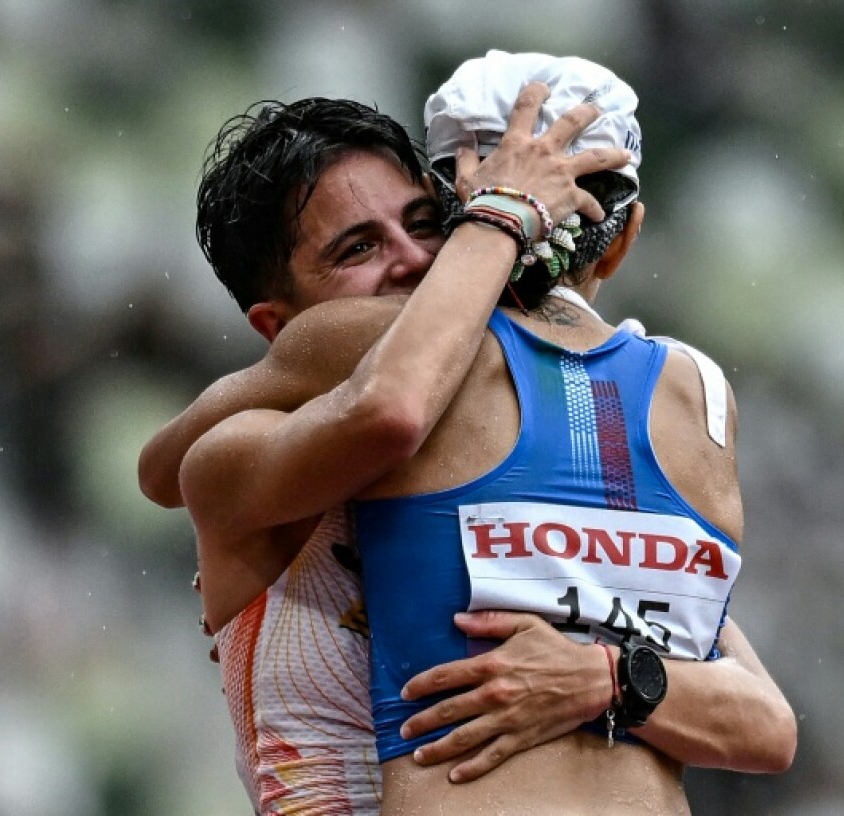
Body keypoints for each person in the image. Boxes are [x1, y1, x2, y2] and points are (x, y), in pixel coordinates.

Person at [143, 54, 794, 815]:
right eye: (359, 249)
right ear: (280, 330)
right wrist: (503, 218)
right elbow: (175, 466)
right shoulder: (246, 448)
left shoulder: (531, 453)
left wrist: (609, 678)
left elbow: (766, 722)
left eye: (426, 225)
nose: (420, 261)